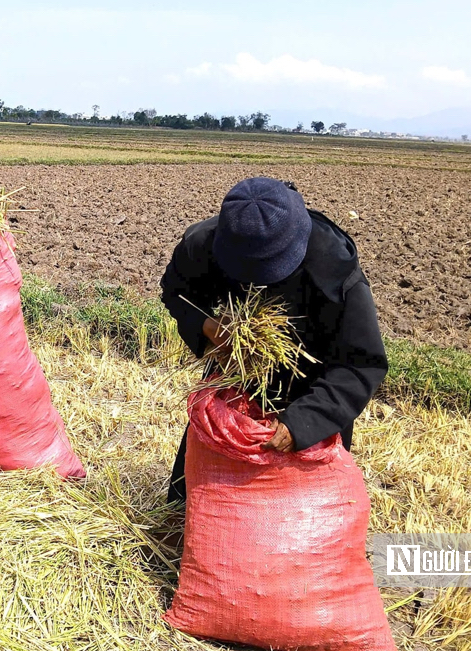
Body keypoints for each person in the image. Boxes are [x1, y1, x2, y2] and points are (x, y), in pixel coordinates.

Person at [160, 177, 388, 503]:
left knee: (301, 513)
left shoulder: (332, 269)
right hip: (237, 377)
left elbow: (359, 363)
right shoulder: (203, 245)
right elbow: (176, 292)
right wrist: (207, 325)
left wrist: (300, 425)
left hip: (311, 388)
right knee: (195, 505)